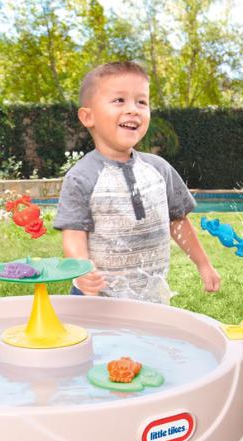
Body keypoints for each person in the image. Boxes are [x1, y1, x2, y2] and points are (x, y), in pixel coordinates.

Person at [54, 61, 220, 304]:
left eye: (141, 102)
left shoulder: (159, 169)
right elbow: (73, 234)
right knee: (100, 343)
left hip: (150, 296)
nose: (133, 109)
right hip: (98, 298)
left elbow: (178, 221)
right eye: (119, 100)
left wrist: (204, 265)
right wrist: (82, 269)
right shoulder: (82, 176)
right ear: (88, 116)